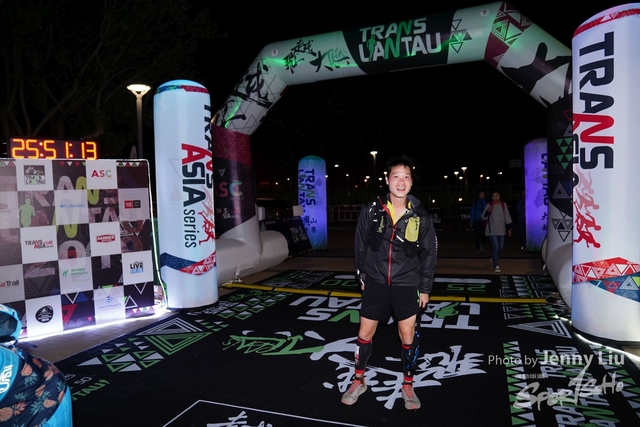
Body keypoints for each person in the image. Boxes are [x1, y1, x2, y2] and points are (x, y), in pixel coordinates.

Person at [341, 155, 437, 410]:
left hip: (407, 282)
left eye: (406, 176)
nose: (401, 181)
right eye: (396, 176)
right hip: (375, 281)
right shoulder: (371, 209)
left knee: (407, 336)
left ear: (412, 182)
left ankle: (408, 384)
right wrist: (362, 276)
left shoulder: (421, 215)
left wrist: (425, 288)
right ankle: (358, 380)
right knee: (364, 334)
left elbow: (429, 254)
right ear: (387, 180)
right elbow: (360, 245)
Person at [481, 190, 513, 273]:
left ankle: (493, 257)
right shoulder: (489, 205)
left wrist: (509, 228)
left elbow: (507, 216)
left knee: (500, 246)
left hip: (501, 229)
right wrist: (488, 211)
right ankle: (496, 265)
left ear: (499, 196)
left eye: (497, 195)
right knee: (495, 246)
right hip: (492, 229)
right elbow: (483, 216)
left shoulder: (503, 205)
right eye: (493, 196)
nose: (495, 197)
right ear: (491, 197)